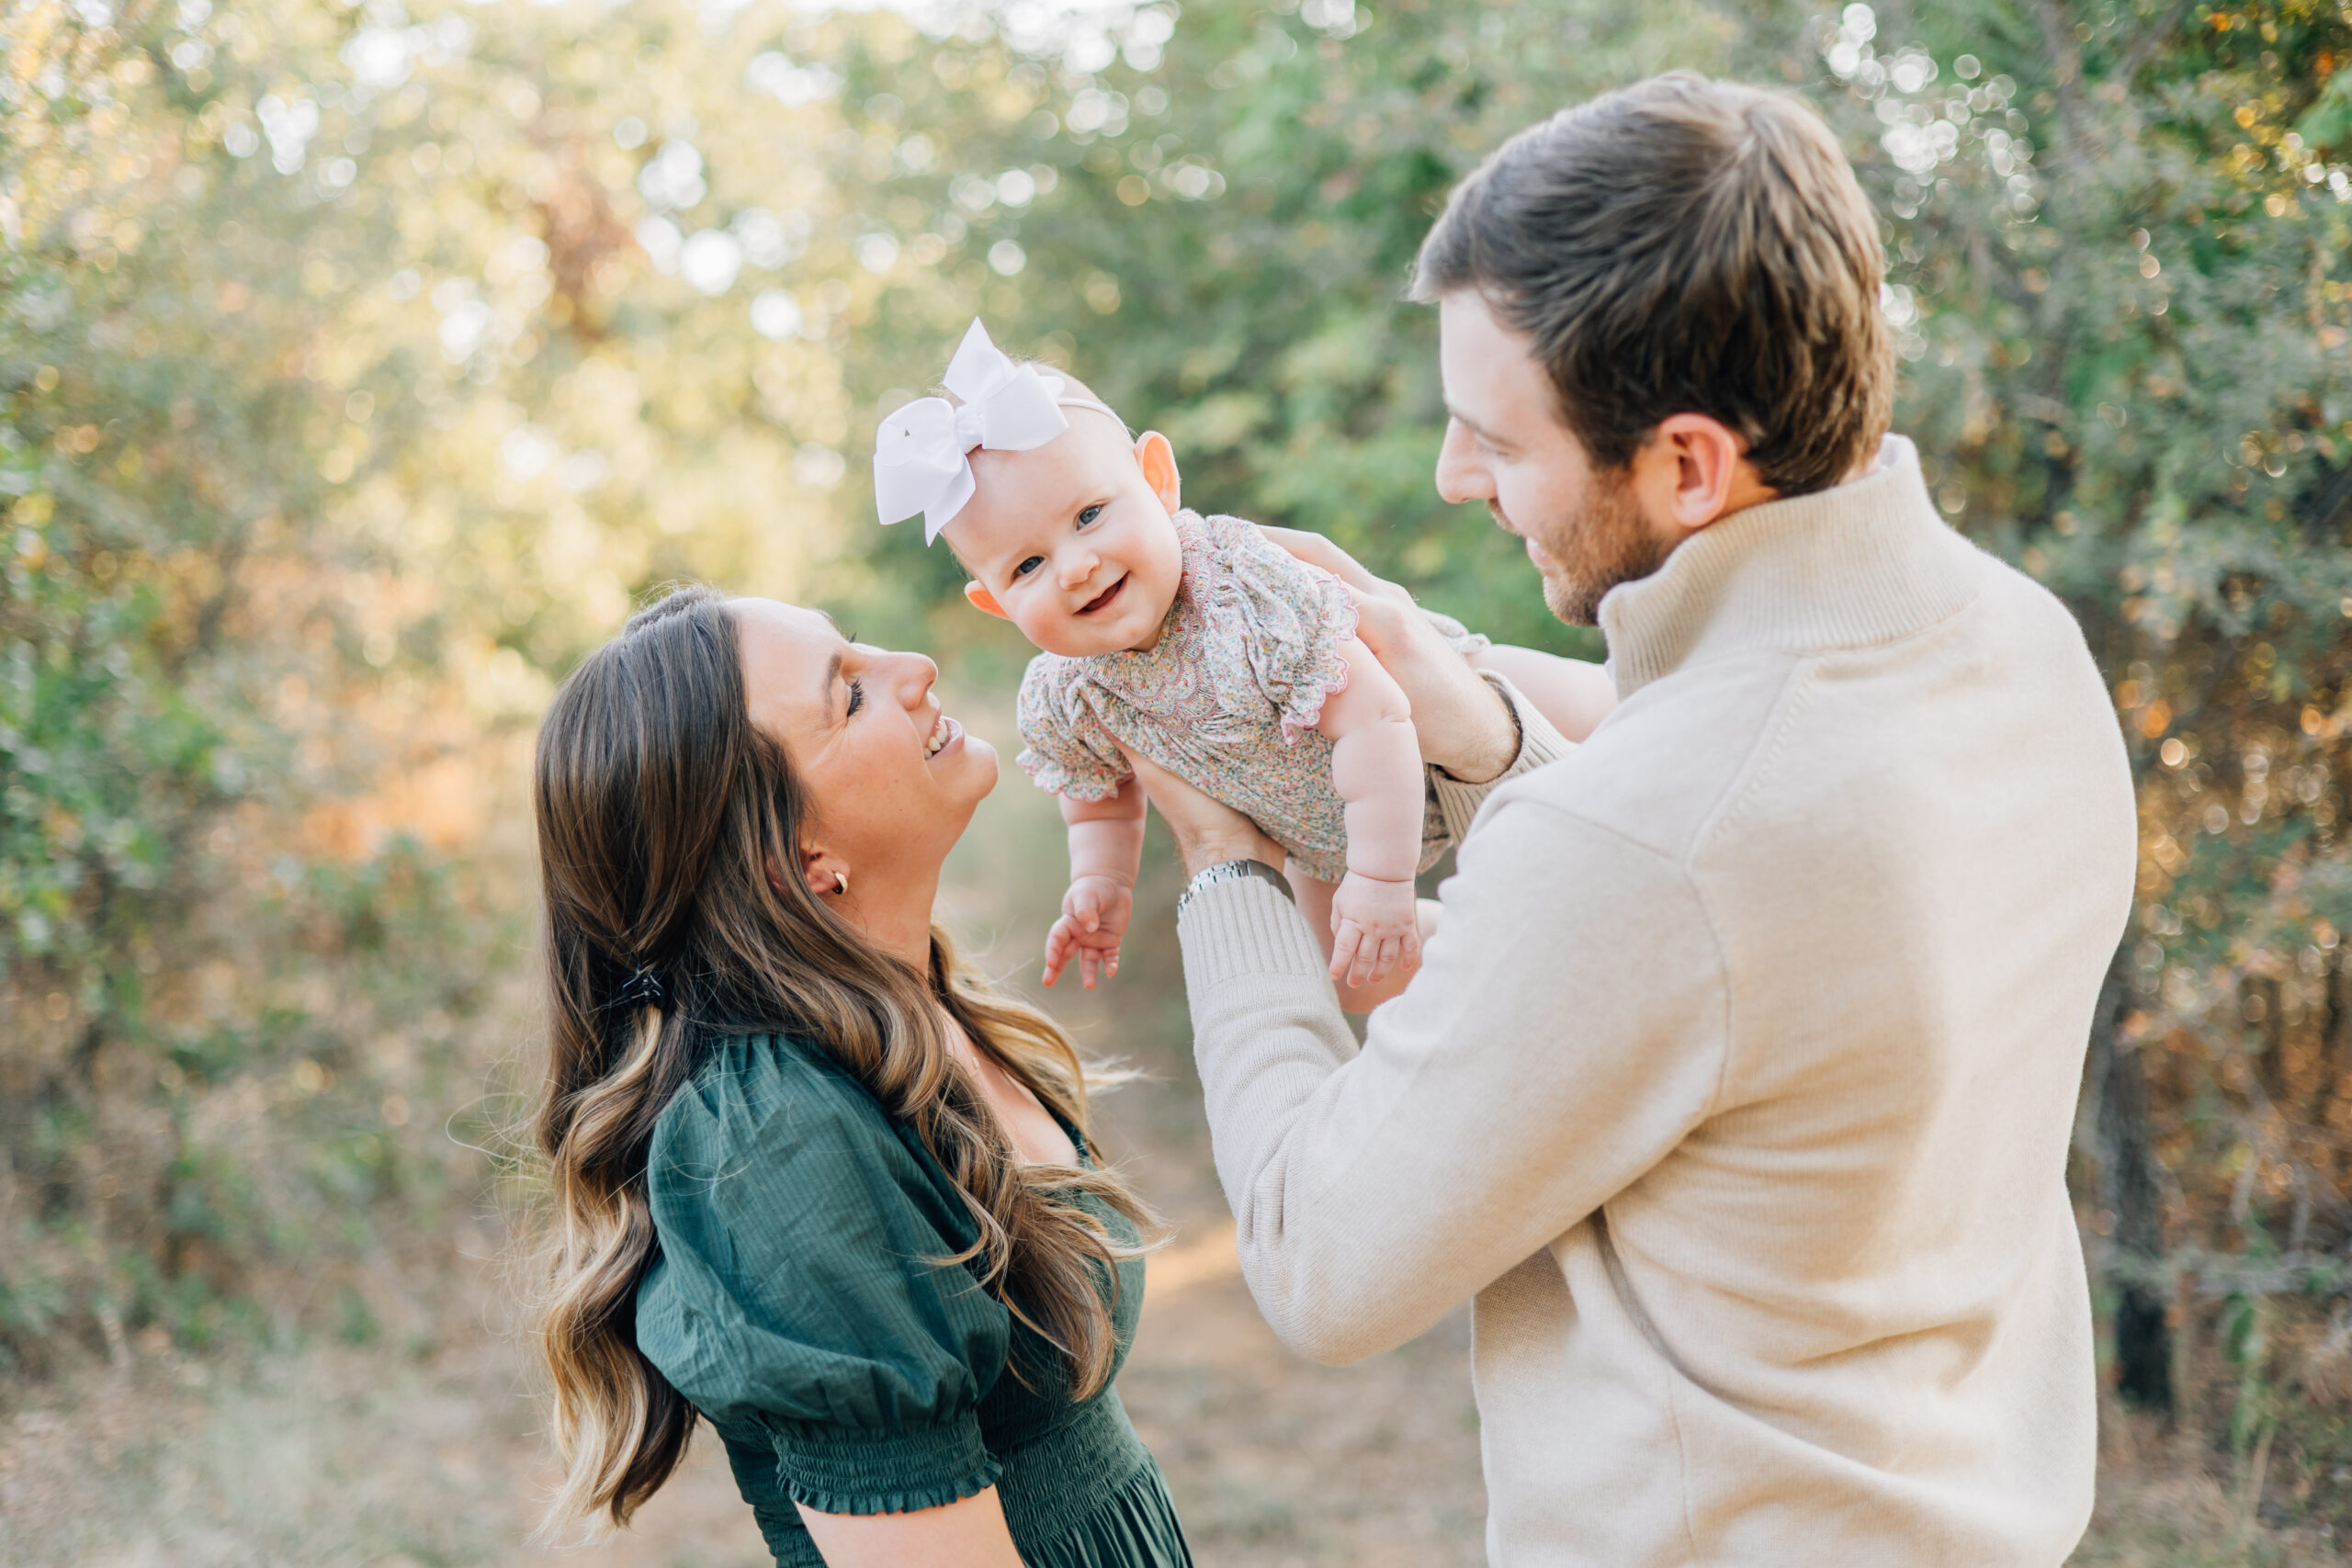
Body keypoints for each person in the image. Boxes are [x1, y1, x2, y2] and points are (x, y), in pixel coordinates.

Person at [1127, 73, 2139, 1566]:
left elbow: (1318, 1254)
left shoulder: (1653, 846)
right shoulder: (2019, 643)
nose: (1452, 476)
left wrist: (1227, 873)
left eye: (1497, 438)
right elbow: (1736, 896)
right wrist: (1451, 681)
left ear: (1684, 462)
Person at [530, 585, 1193, 1568]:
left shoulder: (913, 1014)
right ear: (793, 857)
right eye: (848, 695)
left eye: (860, 652)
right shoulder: (774, 1136)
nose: (912, 670)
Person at [871, 320, 1612, 1007]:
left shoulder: (1240, 588)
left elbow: (1377, 715)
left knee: (1608, 720)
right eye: (1028, 564)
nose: (1075, 567)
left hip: (1431, 702)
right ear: (996, 602)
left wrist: (1379, 878)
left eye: (1090, 515)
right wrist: (1102, 880)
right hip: (1322, 833)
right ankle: (1490, 946)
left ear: (1158, 481)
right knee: (1351, 976)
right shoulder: (1073, 693)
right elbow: (1101, 797)